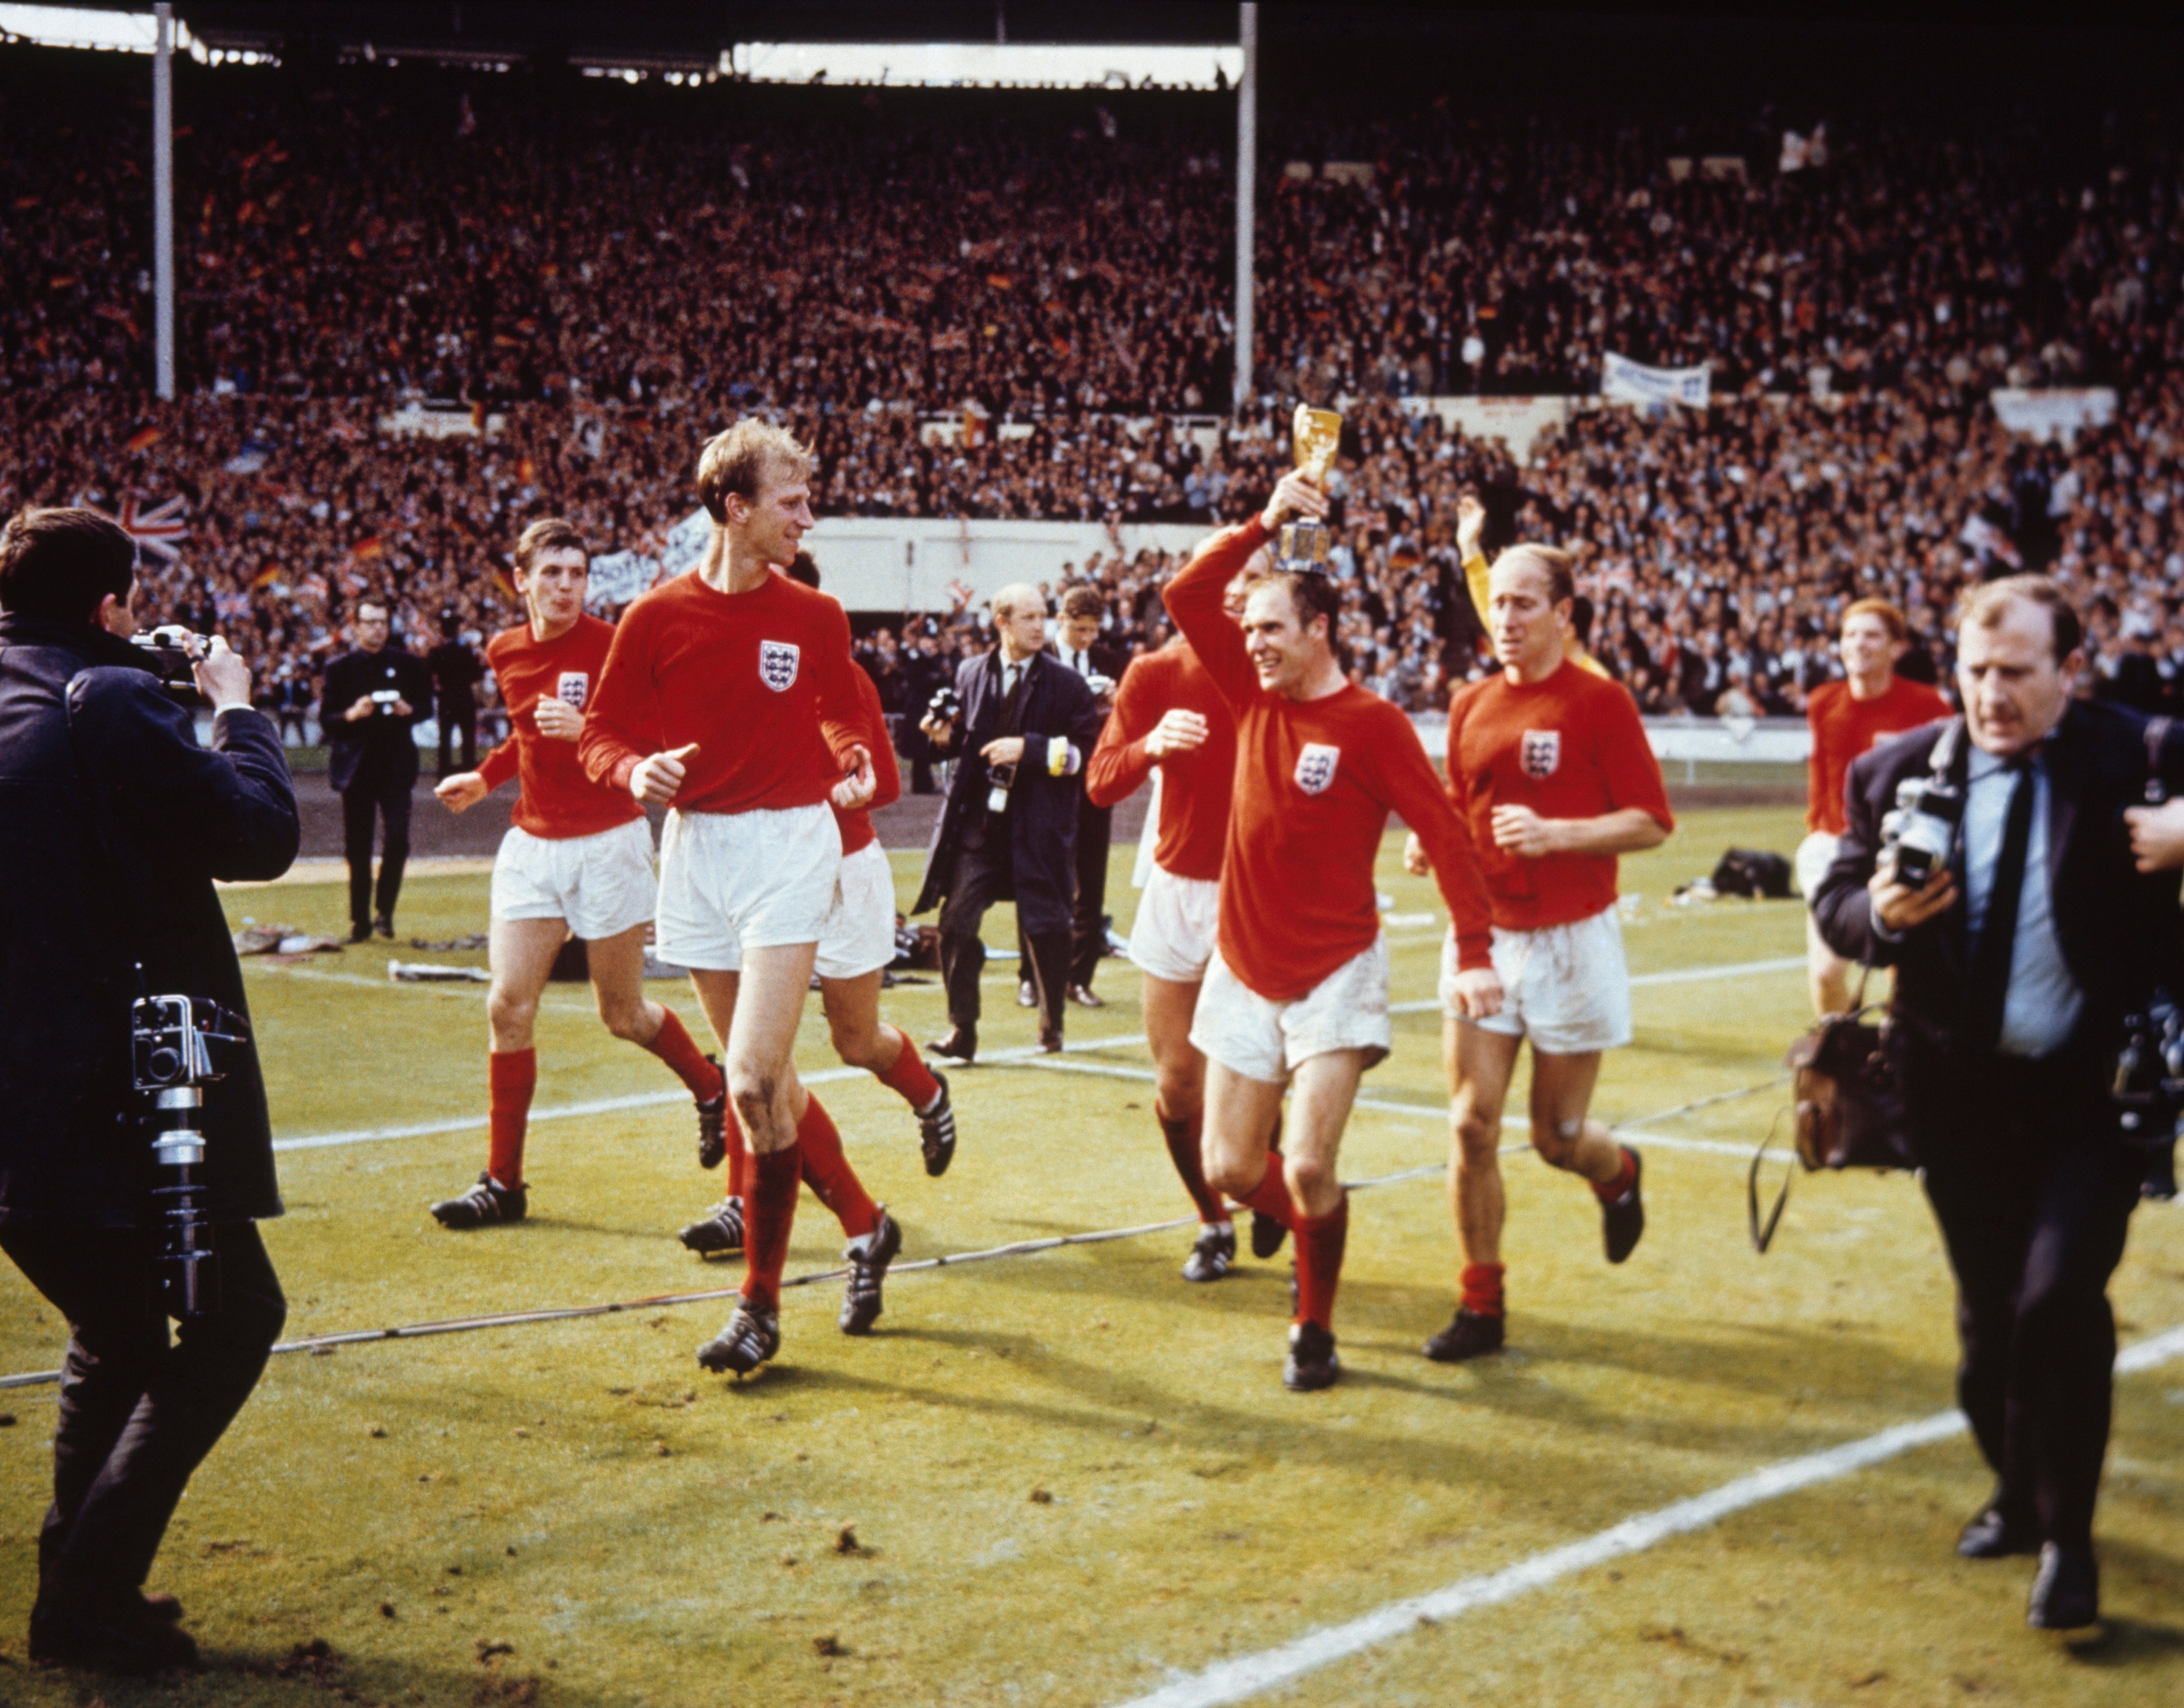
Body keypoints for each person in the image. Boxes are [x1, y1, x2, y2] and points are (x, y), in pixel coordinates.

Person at [1813, 575, 2184, 1634]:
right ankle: (2016, 1494)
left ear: (2068, 669)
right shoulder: (1895, 769)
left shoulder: (2138, 755)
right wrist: (1874, 912)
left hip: (2091, 1098)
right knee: (1985, 1333)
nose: (1988, 693)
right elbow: (1835, 898)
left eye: (2015, 671)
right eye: (1974, 670)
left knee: (2054, 1301)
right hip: (1954, 1098)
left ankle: (2066, 1540)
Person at [0, 507, 299, 1673]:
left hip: (22, 1094)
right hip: (123, 1093)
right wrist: (234, 705)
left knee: (115, 1329)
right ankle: (86, 1590)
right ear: (111, 605)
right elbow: (262, 832)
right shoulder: (108, 699)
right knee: (235, 1319)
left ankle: (76, 1591)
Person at [1163, 468, 1500, 1392]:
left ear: (1320, 629)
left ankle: (1313, 1327)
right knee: (1232, 1166)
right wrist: (1263, 520)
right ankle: (1305, 1227)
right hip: (1242, 964)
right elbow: (1184, 592)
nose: (1253, 642)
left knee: (1308, 1160)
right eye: (1249, 630)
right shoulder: (1248, 691)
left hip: (1334, 971)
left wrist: (1473, 953)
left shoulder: (1373, 723)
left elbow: (1444, 835)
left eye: (1271, 627)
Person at [579, 420, 880, 1379]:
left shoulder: (816, 615)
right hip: (697, 853)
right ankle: (868, 1227)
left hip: (793, 843)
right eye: (791, 502)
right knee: (772, 1085)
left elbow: (838, 707)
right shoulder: (655, 617)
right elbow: (601, 734)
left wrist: (853, 758)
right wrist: (634, 773)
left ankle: (758, 1307)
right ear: (734, 507)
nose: (807, 515)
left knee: (748, 1081)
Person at [1405, 542, 1673, 1364]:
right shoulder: (1468, 704)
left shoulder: (1601, 704)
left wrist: (1561, 835)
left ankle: (1616, 1172)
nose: (1507, 619)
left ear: (1564, 614)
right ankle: (1481, 1305)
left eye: (1525, 604)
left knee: (1556, 1137)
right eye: (1499, 604)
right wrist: (1434, 843)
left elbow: (1652, 822)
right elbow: (1459, 803)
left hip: (1572, 945)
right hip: (1485, 938)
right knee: (1471, 1125)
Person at [426, 518, 730, 1229]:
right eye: (553, 573)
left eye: (577, 573)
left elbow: (657, 734)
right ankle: (503, 1182)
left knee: (622, 1014)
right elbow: (522, 731)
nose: (566, 586)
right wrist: (484, 775)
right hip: (533, 844)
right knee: (507, 1005)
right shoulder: (503, 649)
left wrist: (590, 732)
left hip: (609, 841)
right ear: (522, 577)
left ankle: (711, 1085)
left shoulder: (612, 644)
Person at [678, 550, 959, 1261]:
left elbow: (887, 783)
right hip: (764, 878)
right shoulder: (725, 665)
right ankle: (745, 1202)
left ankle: (929, 1095)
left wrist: (821, 796)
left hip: (841, 870)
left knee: (854, 1040)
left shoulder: (843, 676)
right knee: (759, 1059)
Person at [1086, 542, 1266, 1282]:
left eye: (1250, 580)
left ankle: (1274, 1187)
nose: (1233, 592)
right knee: (1178, 1086)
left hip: (1254, 896)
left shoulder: (1274, 669)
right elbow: (1100, 781)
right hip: (1172, 894)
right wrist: (1151, 746)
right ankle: (1212, 1219)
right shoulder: (1155, 673)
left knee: (1252, 1076)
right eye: (1223, 579)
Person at [911, 584, 1104, 1061]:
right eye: (1029, 617)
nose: (1041, 626)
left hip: (1039, 827)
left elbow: (1087, 755)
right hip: (980, 827)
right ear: (1001, 622)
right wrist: (940, 739)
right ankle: (963, 1029)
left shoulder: (1068, 684)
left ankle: (1052, 1022)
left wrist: (1030, 749)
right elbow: (963, 742)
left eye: (1043, 616)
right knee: (956, 921)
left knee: (1048, 926)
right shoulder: (970, 672)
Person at [1798, 599, 1951, 1015]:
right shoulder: (1822, 702)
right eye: (1850, 634)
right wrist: (1816, 832)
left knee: (1902, 966)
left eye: (1871, 635)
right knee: (1828, 971)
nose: (1858, 644)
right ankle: (1837, 1055)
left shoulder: (1928, 706)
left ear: (1895, 648)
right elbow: (1821, 774)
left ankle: (1894, 1051)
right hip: (1834, 846)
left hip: (1899, 847)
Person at [320, 599, 433, 942]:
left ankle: (385, 912)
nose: (377, 629)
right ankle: (360, 921)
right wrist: (351, 715)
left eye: (382, 622)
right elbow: (328, 719)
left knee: (398, 840)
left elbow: (426, 708)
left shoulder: (409, 664)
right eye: (370, 622)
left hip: (396, 766)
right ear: (356, 626)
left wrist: (408, 710)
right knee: (358, 847)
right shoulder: (339, 668)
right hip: (357, 768)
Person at [1047, 585, 1133, 1008]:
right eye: (1079, 629)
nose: (1085, 638)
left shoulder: (1109, 661)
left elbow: (1129, 718)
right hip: (1047, 779)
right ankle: (1035, 977)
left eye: (1092, 631)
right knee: (1044, 880)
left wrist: (1120, 702)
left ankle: (1078, 978)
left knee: (1091, 882)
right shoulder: (1041, 657)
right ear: (1061, 620)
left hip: (1095, 778)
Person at [427, 608, 485, 778]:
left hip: (447, 696)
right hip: (464, 696)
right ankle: (468, 766)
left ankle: (444, 770)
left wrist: (437, 689)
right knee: (468, 734)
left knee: (445, 736)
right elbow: (477, 674)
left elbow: (428, 673)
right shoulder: (465, 650)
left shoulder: (437, 651)